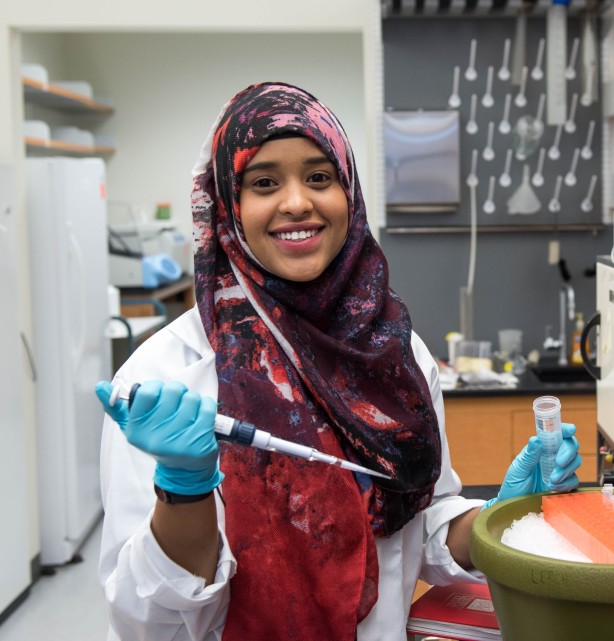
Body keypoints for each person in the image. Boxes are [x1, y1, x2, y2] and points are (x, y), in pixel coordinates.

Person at [95, 81, 582, 641]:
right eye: (264, 182)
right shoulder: (165, 374)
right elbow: (142, 621)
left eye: (320, 177)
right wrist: (183, 492)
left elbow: (419, 534)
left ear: (348, 192)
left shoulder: (396, 356)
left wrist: (502, 514)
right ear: (228, 205)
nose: (298, 201)